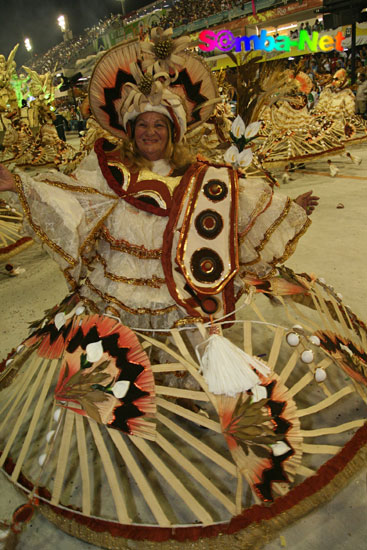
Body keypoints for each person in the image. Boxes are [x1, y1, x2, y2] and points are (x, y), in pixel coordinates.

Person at [9, 29, 365, 548]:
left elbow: (240, 213)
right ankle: (129, 450)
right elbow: (66, 202)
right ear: (130, 130)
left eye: (160, 124)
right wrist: (18, 183)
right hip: (118, 305)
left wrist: (287, 211)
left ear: (174, 132)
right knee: (123, 393)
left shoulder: (203, 177)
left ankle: (200, 418)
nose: (151, 131)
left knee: (200, 379)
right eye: (143, 124)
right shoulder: (104, 175)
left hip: (185, 308)